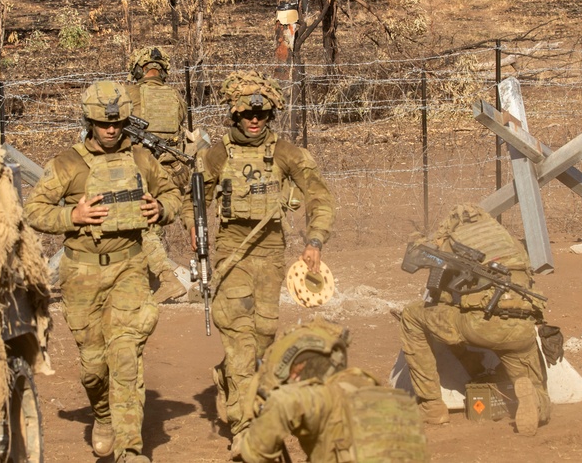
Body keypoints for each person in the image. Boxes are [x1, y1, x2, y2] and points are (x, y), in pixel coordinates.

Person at [23, 81, 182, 463]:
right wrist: (71, 216)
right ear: (89, 121)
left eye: (117, 123)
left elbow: (173, 194)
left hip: (129, 267)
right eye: (102, 123)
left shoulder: (143, 159)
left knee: (125, 358)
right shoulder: (68, 163)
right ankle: (103, 413)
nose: (111, 130)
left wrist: (161, 210)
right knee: (94, 367)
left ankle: (131, 451)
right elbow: (33, 210)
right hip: (81, 275)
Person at [183, 70, 335, 438]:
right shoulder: (218, 153)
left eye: (262, 114)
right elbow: (193, 196)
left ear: (270, 115)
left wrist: (314, 241)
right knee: (239, 337)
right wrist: (192, 224)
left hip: (270, 252)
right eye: (248, 115)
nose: (255, 121)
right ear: (235, 115)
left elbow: (319, 195)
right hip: (231, 252)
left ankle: (228, 377)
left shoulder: (285, 152)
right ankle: (243, 425)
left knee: (265, 331)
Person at [398, 204, 550, 436]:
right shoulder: (511, 242)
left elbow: (442, 297)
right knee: (531, 380)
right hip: (521, 329)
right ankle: (537, 403)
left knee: (412, 316)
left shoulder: (454, 240)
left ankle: (431, 406)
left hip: (482, 323)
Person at [231, 320, 428, 463]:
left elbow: (282, 402)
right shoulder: (374, 391)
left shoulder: (323, 397)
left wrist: (249, 445)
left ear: (299, 373)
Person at [125, 45, 190, 303]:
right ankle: (152, 281)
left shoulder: (129, 94)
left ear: (140, 70)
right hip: (172, 171)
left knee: (140, 225)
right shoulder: (175, 97)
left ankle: (166, 279)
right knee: (152, 224)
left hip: (141, 169)